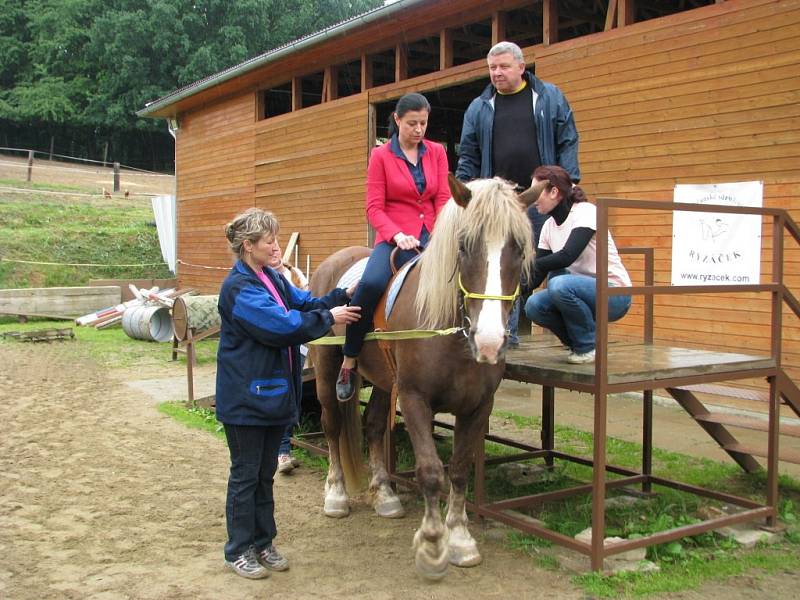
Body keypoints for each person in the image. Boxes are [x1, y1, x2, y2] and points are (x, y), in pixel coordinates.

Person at [216, 208, 360, 579]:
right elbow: (282, 326)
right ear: (248, 246)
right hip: (246, 399)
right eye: (270, 241)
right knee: (246, 475)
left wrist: (341, 295)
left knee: (264, 475)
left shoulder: (269, 280)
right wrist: (331, 319)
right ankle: (238, 550)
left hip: (271, 395)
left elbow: (304, 302)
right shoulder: (240, 289)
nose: (277, 246)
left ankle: (263, 542)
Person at [455, 40, 580, 347]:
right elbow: (468, 154)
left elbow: (567, 140)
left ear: (522, 67)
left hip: (542, 198)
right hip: (498, 205)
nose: (496, 73)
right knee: (501, 266)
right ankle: (505, 338)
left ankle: (570, 338)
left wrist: (570, 182)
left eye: (504, 66)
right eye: (492, 68)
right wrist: (463, 192)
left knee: (553, 264)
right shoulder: (479, 107)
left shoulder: (549, 97)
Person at [335, 92, 452, 401]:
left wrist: (440, 232)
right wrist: (396, 235)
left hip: (434, 235)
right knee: (371, 284)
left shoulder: (438, 152)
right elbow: (374, 208)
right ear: (397, 120)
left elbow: (442, 197)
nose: (418, 129)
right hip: (394, 238)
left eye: (423, 123)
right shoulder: (381, 156)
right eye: (412, 123)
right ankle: (349, 358)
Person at [523, 165, 632, 364]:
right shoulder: (548, 227)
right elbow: (537, 274)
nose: (532, 199)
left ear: (554, 192)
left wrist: (526, 265)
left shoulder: (586, 212)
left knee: (559, 284)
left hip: (614, 295)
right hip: (578, 293)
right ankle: (580, 345)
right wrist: (509, 291)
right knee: (534, 305)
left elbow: (567, 256)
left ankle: (588, 345)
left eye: (535, 192)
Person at [266, 242, 309, 475]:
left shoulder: (294, 275)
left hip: (299, 347)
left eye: (277, 248)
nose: (275, 252)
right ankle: (281, 451)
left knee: (294, 396)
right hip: (280, 344)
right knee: (282, 396)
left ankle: (283, 446)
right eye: (270, 248)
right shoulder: (264, 280)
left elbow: (306, 302)